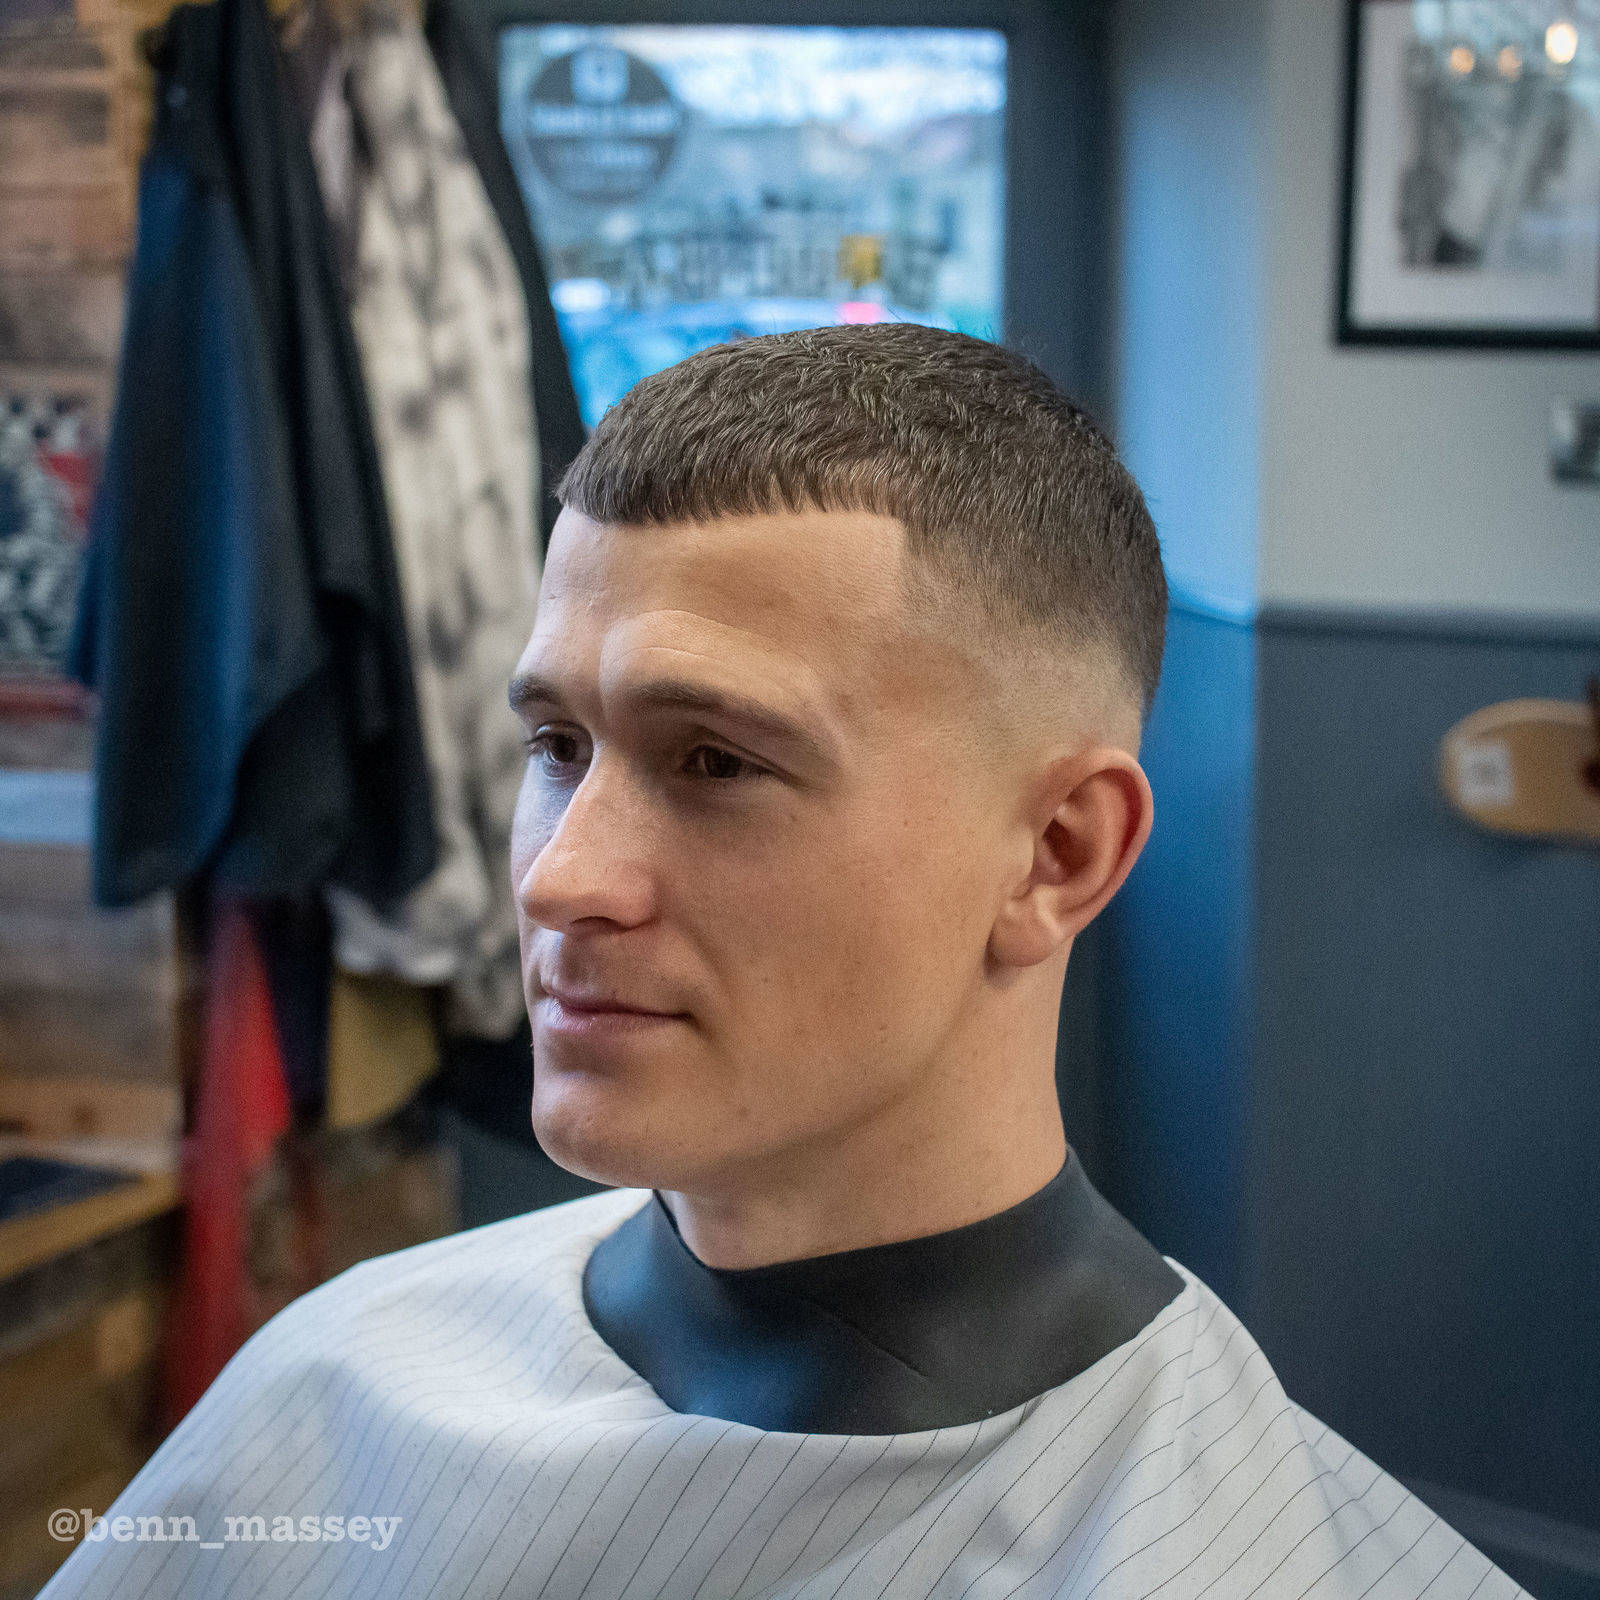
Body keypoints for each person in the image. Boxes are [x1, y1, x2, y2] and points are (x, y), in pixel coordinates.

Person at [39, 325, 1531, 1600]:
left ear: (1057, 853)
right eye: (557, 746)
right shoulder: (341, 1385)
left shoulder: (1250, 1557)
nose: (560, 879)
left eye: (716, 761)